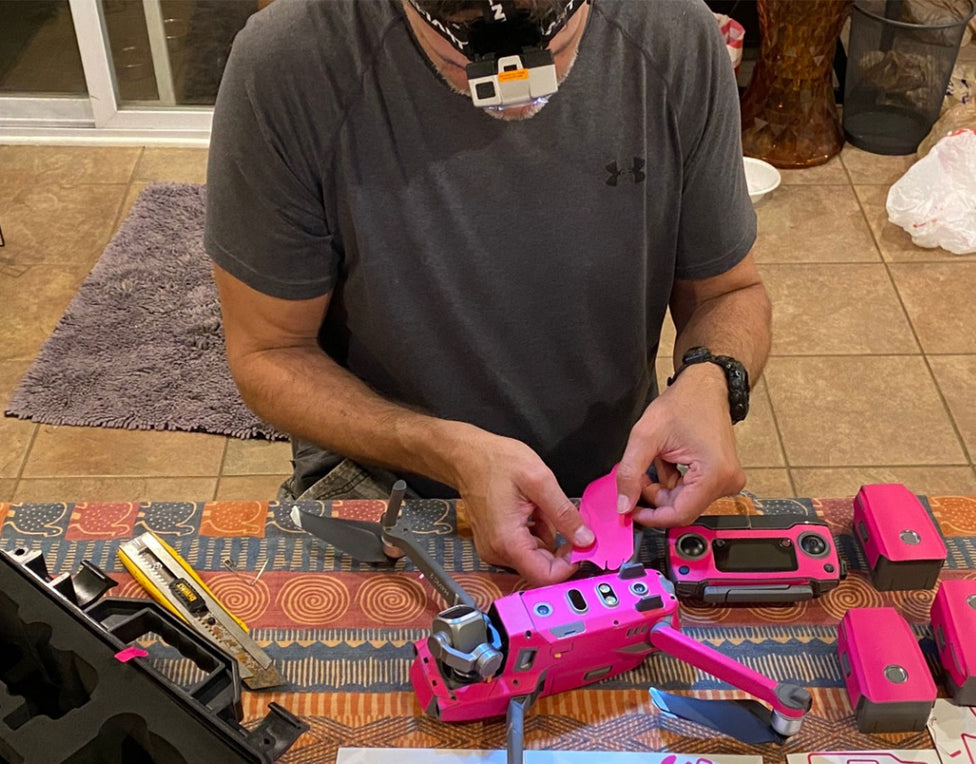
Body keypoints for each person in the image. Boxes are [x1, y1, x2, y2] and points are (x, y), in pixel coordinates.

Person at [205, 0, 770, 586]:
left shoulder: (674, 36)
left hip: (615, 488)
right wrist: (441, 449)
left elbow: (728, 293)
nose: (514, 85)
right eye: (463, 49)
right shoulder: (291, 62)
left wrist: (711, 380)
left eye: (550, 42)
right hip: (384, 484)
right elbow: (269, 351)